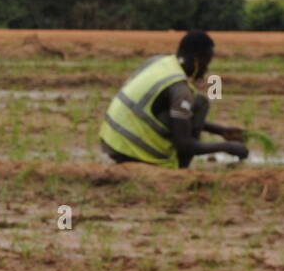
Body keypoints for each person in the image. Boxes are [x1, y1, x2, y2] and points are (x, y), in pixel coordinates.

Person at [99, 30, 248, 168]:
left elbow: (174, 115)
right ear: (196, 60)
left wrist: (220, 131)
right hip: (134, 151)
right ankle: (181, 167)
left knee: (189, 108)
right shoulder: (180, 89)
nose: (205, 70)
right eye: (205, 63)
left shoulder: (158, 62)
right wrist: (227, 147)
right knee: (200, 103)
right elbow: (184, 145)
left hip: (111, 141)